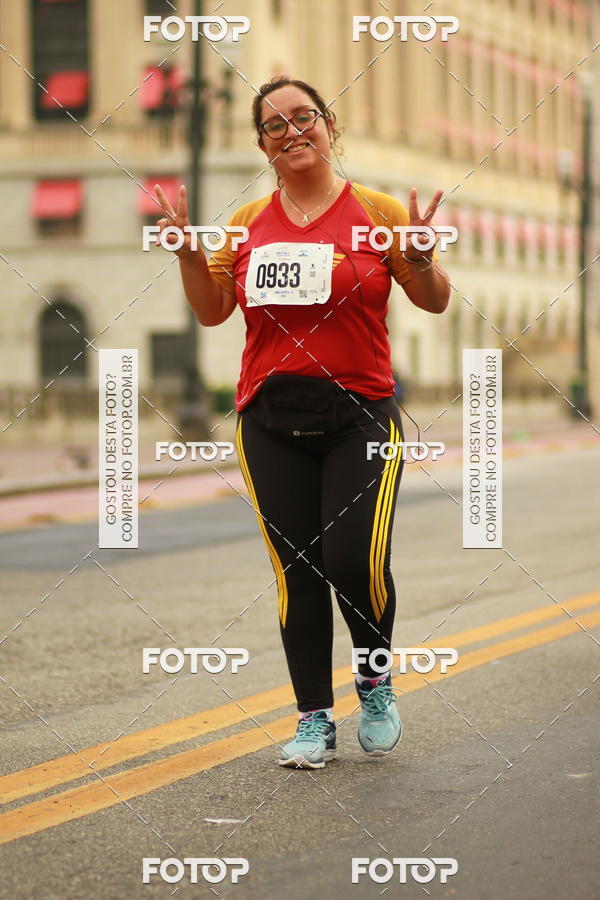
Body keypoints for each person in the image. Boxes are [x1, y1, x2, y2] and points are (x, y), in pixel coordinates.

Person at [153, 75, 450, 769]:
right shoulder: (245, 224)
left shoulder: (378, 212)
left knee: (353, 560)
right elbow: (212, 311)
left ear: (329, 126)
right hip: (269, 421)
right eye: (274, 124)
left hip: (361, 419)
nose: (292, 132)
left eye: (303, 117)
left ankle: (373, 682)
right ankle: (313, 718)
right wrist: (189, 256)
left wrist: (421, 257)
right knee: (299, 571)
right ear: (262, 144)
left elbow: (433, 301)